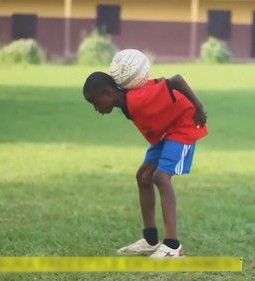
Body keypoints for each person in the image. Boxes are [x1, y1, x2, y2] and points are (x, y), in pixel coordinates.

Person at [82, 72, 208, 257]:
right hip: (166, 130)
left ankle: (173, 246)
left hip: (184, 124)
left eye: (95, 102)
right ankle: (150, 240)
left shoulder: (137, 98)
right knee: (143, 176)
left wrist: (200, 108)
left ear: (108, 93)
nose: (96, 108)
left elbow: (176, 80)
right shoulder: (126, 99)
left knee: (160, 176)